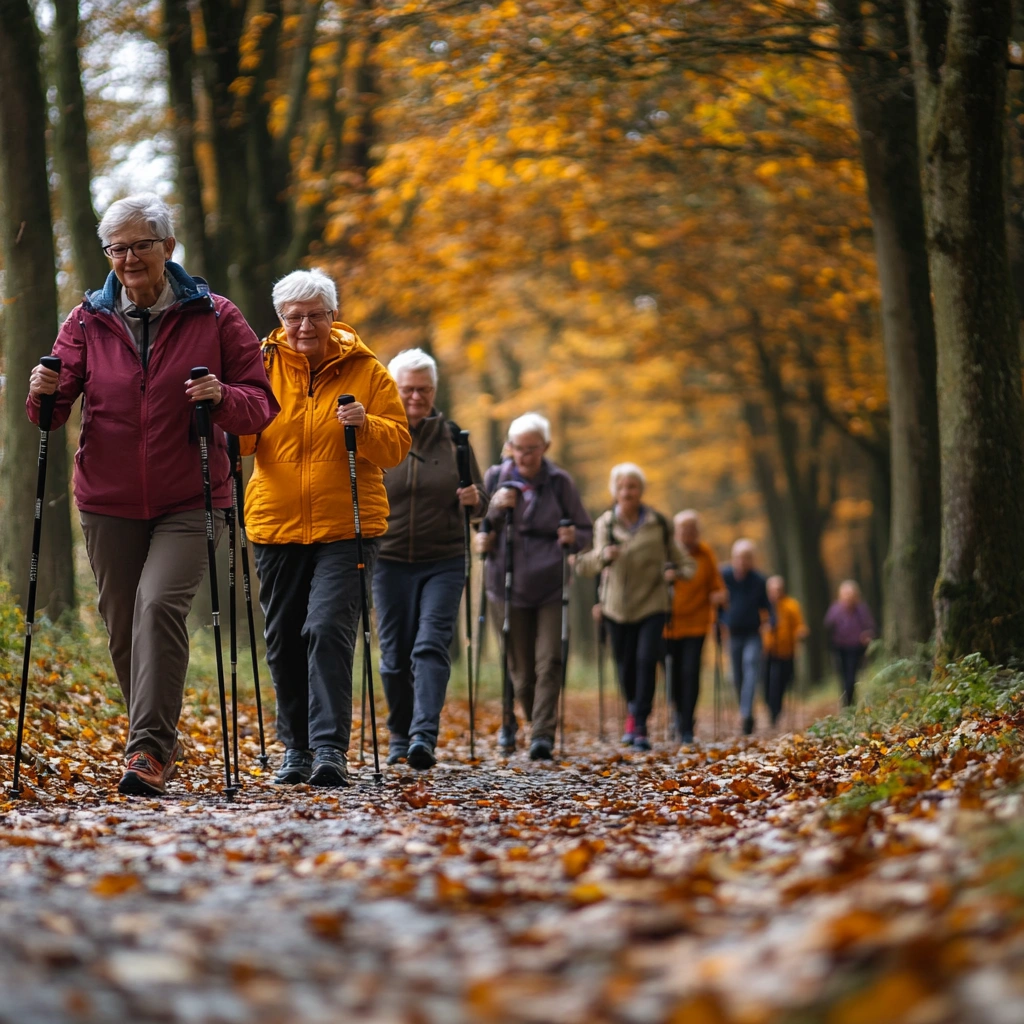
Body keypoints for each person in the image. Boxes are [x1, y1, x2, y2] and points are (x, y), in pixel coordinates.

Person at [26, 193, 279, 797]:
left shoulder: (216, 316)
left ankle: (146, 751)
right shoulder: (86, 320)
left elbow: (260, 406)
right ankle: (160, 733)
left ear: (169, 247)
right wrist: (43, 390)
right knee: (121, 626)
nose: (129, 258)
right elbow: (52, 414)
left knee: (158, 605)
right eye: (117, 248)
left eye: (142, 245)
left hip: (191, 492)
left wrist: (222, 398)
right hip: (107, 497)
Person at [239, 269, 410, 788]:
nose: (304, 326)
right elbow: (242, 444)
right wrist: (221, 412)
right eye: (294, 317)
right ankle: (296, 748)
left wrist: (367, 425)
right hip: (276, 523)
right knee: (284, 637)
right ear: (280, 321)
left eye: (315, 315)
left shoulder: (368, 369)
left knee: (328, 627)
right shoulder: (259, 367)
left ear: (333, 316)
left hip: (348, 525)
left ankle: (331, 748)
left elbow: (397, 445)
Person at [373, 348, 487, 770]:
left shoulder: (454, 440)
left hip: (443, 559)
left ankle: (424, 735)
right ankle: (399, 734)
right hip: (387, 559)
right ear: (393, 389)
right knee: (393, 656)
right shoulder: (378, 434)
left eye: (424, 389)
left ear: (434, 390)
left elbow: (480, 506)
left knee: (430, 645)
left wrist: (477, 500)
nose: (416, 397)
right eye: (407, 389)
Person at [475, 413, 592, 760]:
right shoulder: (496, 477)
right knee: (521, 671)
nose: (524, 456)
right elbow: (478, 524)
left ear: (546, 447)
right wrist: (493, 512)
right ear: (510, 447)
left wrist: (573, 537)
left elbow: (585, 530)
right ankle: (530, 720)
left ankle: (542, 734)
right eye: (519, 449)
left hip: (551, 584)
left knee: (551, 660)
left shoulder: (560, 482)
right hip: (505, 583)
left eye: (532, 449)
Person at [577, 465, 695, 751]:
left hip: (652, 605)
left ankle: (640, 723)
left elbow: (686, 564)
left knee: (645, 661)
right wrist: (604, 556)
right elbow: (585, 565)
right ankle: (633, 710)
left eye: (632, 486)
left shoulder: (659, 523)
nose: (627, 492)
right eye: (622, 487)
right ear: (614, 492)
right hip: (615, 608)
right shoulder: (604, 524)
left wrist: (676, 574)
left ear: (641, 491)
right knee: (625, 666)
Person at [663, 510, 727, 744]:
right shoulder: (666, 553)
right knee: (672, 675)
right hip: (667, 625)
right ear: (676, 532)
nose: (688, 534)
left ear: (697, 532)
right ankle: (676, 715)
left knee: (690, 673)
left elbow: (717, 585)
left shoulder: (705, 553)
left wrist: (720, 596)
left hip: (696, 624)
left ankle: (687, 723)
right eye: (683, 530)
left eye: (692, 530)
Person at [720, 539, 771, 736]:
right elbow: (717, 604)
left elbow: (767, 606)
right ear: (733, 559)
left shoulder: (759, 580)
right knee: (736, 676)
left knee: (751, 667)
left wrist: (771, 621)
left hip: (753, 633)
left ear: (753, 560)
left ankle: (746, 713)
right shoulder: (724, 576)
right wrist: (720, 620)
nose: (743, 561)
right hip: (732, 634)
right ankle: (745, 709)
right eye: (739, 558)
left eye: (747, 558)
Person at [762, 575, 809, 727]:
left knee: (782, 682)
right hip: (766, 652)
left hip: (786, 651)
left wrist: (801, 632)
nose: (775, 593)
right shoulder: (763, 606)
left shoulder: (791, 605)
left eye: (778, 590)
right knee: (767, 683)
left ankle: (777, 710)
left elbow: (799, 624)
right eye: (772, 590)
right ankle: (771, 710)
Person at [824, 580, 876, 707]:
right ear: (840, 595)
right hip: (839, 648)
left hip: (855, 648)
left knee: (851, 676)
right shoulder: (835, 610)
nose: (848, 597)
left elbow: (870, 627)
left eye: (851, 595)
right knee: (842, 676)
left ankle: (849, 702)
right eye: (845, 594)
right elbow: (827, 627)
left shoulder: (861, 610)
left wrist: (867, 635)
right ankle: (846, 701)